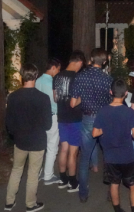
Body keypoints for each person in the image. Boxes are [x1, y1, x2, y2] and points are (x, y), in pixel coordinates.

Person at [5, 64, 52, 212]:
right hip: (37, 140)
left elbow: (9, 123)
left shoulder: (12, 97)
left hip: (20, 140)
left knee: (16, 169)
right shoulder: (43, 98)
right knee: (33, 173)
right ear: (36, 76)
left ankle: (9, 202)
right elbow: (47, 124)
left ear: (21, 76)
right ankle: (30, 204)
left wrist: (15, 133)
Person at [70, 48, 113, 203]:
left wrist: (85, 99)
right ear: (105, 61)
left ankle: (83, 193)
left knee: (84, 158)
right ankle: (111, 191)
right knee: (109, 156)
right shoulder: (108, 79)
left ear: (91, 60)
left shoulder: (80, 77)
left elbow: (73, 102)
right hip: (105, 120)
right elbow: (112, 100)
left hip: (87, 119)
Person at [93, 79, 134, 212]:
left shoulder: (102, 111)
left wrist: (107, 129)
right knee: (133, 185)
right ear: (126, 93)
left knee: (114, 184)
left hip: (110, 157)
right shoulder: (130, 112)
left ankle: (118, 210)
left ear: (110, 92)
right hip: (127, 156)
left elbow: (95, 133)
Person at [53, 51, 85, 192]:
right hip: (75, 119)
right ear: (79, 62)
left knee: (63, 149)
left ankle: (62, 179)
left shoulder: (57, 76)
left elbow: (55, 98)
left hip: (62, 117)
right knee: (73, 151)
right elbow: (75, 101)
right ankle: (72, 182)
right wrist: (83, 98)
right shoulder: (78, 77)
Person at [35, 58, 62, 185]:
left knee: (42, 145)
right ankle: (48, 175)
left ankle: (39, 172)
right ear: (53, 68)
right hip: (51, 116)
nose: (58, 72)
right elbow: (55, 101)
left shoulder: (37, 80)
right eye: (58, 69)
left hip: (39, 117)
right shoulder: (52, 82)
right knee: (52, 146)